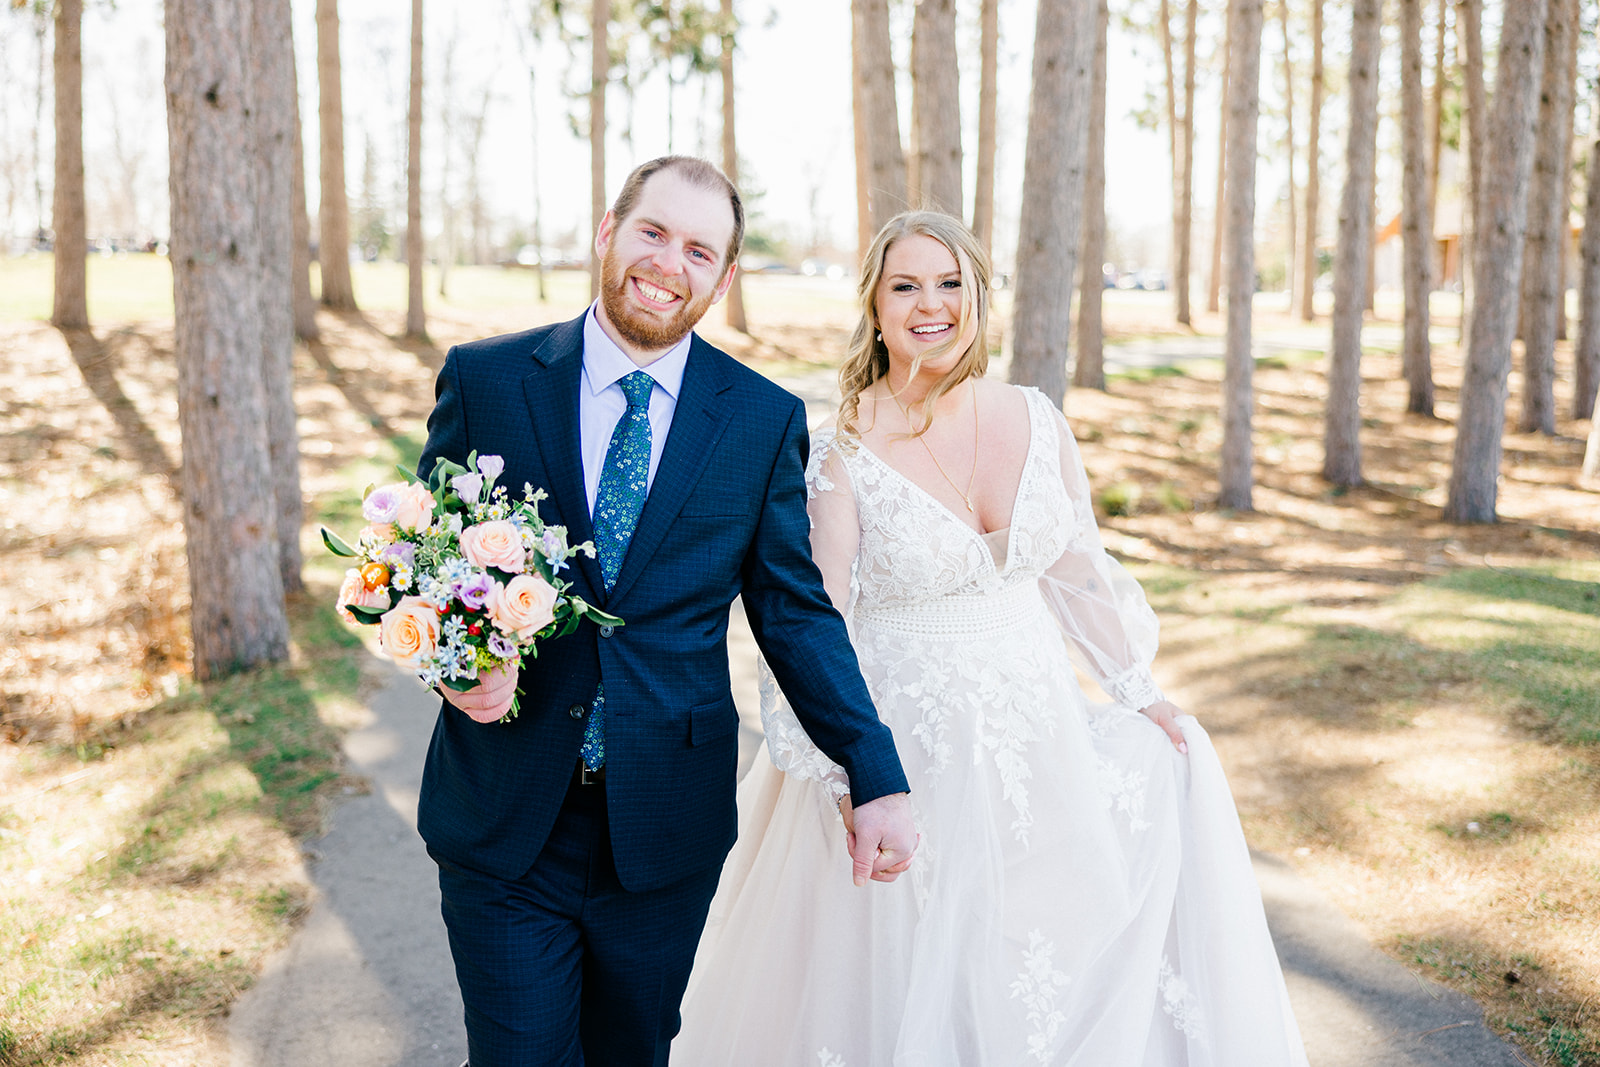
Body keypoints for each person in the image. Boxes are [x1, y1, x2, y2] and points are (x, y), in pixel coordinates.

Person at [673, 211, 1309, 1066]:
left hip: (1038, 733)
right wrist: (842, 774)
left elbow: (1077, 568)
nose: (928, 304)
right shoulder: (842, 452)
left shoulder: (1035, 418)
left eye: (948, 284)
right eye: (905, 285)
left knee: (1043, 955)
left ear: (977, 298)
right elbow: (809, 622)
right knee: (915, 979)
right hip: (908, 745)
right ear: (875, 305)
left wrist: (1138, 691)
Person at [415, 156, 918, 1067]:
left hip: (662, 831)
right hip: (504, 811)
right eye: (652, 232)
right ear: (608, 234)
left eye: (698, 249)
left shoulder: (761, 419)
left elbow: (793, 610)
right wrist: (456, 668)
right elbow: (430, 563)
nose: (667, 263)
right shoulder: (486, 382)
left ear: (722, 278)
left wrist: (872, 769)